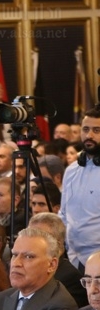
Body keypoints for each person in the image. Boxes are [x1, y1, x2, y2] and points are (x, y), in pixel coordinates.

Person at [60, 106, 100, 271]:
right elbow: (64, 213)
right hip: (72, 257)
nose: (89, 135)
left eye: (96, 130)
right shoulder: (71, 170)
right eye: (85, 129)